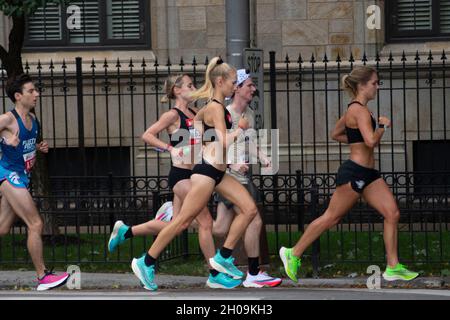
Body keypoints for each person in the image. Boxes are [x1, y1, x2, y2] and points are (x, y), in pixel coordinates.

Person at [279, 66, 419, 283]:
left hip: (369, 174)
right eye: (374, 83)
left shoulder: (357, 110)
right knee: (331, 217)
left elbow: (336, 134)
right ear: (362, 86)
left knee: (392, 214)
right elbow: (371, 141)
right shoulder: (359, 111)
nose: (377, 87)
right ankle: (293, 253)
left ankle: (393, 267)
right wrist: (383, 126)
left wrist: (358, 140)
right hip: (355, 173)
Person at [131, 57, 259, 291]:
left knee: (249, 209)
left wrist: (200, 137)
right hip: (206, 174)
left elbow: (201, 129)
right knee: (181, 221)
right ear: (220, 82)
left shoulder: (208, 108)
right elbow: (222, 142)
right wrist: (239, 130)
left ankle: (222, 258)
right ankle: (146, 261)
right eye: (233, 82)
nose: (235, 87)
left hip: (218, 173)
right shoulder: (215, 108)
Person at [108, 74, 238, 289]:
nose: (194, 88)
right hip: (181, 176)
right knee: (205, 222)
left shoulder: (197, 113)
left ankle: (126, 231)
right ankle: (214, 273)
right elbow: (147, 135)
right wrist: (170, 148)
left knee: (178, 224)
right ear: (177, 91)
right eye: (189, 85)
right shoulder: (172, 115)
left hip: (198, 172)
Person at [0, 74, 69, 291]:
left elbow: (26, 146)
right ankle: (42, 277)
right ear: (18, 96)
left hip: (22, 176)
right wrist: (4, 140)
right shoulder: (8, 119)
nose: (37, 94)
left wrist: (38, 148)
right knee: (36, 224)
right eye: (31, 91)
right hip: (8, 174)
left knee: (1, 228)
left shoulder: (33, 119)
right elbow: (7, 140)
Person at [213, 69, 281, 288]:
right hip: (227, 175)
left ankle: (175, 217)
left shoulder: (248, 113)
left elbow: (249, 140)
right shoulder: (224, 112)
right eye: (249, 85)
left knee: (220, 228)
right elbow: (212, 144)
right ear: (237, 88)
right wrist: (232, 163)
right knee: (254, 219)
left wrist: (261, 157)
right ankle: (252, 273)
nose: (254, 89)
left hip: (239, 177)